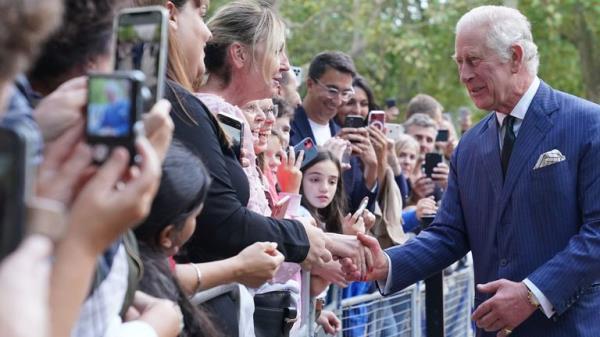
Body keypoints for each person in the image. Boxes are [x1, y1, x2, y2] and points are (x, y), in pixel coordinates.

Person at [344, 5, 600, 337]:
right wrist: (387, 264)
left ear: (515, 56)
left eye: (473, 60)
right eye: (459, 63)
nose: (463, 74)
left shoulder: (588, 124)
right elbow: (448, 234)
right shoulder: (470, 145)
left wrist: (533, 294)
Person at [290, 52, 378, 212]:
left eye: (345, 93)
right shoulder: (288, 124)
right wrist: (324, 158)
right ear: (310, 84)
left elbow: (352, 204)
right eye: (332, 90)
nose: (338, 100)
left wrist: (371, 169)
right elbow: (282, 177)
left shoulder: (344, 136)